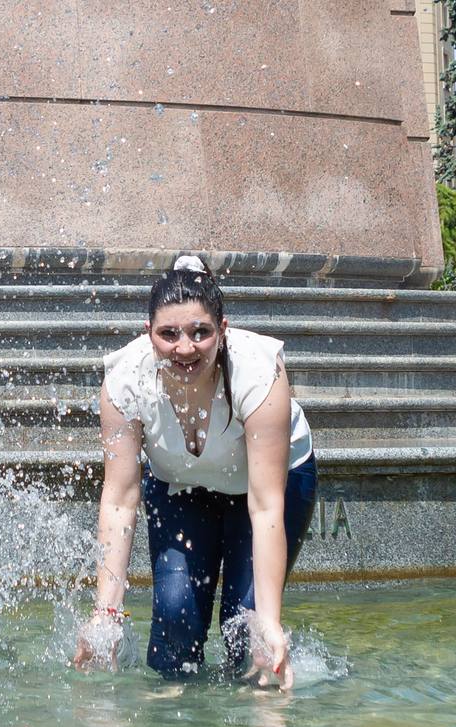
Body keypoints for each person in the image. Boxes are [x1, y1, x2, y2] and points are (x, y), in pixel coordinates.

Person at [74, 255, 317, 687]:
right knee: (175, 620)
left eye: (200, 332)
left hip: (265, 489)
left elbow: (264, 506)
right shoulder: (123, 382)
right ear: (148, 335)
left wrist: (270, 623)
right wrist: (104, 616)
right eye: (169, 334)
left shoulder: (259, 372)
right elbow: (119, 500)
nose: (185, 348)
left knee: (246, 627)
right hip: (181, 485)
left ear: (222, 331)